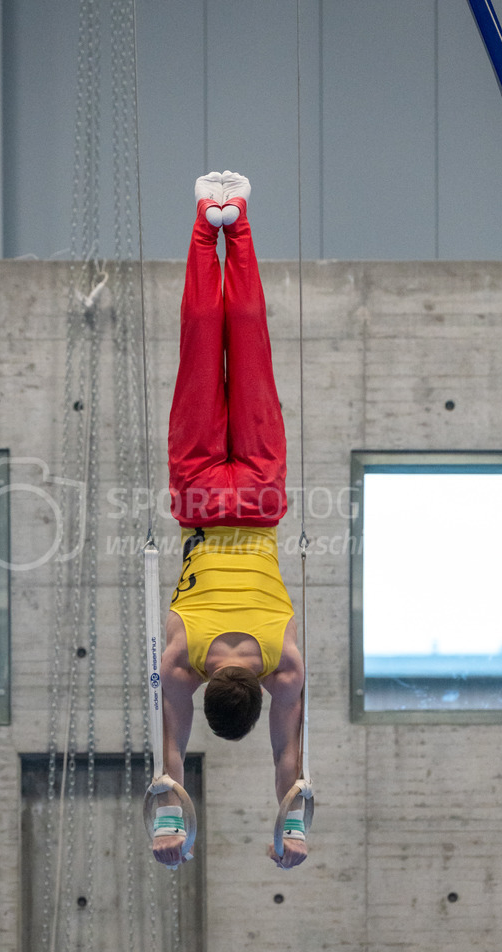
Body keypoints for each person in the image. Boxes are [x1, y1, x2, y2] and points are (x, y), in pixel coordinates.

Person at [152, 171, 307, 871]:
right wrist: (169, 831)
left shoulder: (286, 667)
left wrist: (292, 830)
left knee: (249, 346)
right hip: (198, 499)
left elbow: (290, 762)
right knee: (197, 343)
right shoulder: (180, 666)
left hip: (263, 495)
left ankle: (235, 218)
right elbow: (168, 771)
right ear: (212, 691)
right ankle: (205, 218)